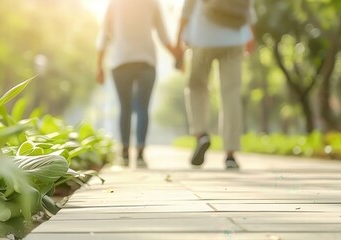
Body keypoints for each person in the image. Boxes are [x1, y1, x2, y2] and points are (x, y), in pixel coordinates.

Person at [96, 0, 181, 167]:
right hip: (146, 60)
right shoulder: (151, 3)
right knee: (143, 108)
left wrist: (98, 65)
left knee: (125, 107)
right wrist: (177, 56)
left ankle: (125, 153)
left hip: (120, 61)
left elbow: (104, 34)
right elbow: (163, 35)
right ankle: (141, 153)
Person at [176, 0, 256, 170]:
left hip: (203, 36)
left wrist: (178, 41)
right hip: (235, 36)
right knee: (231, 93)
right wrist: (250, 33)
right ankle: (230, 154)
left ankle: (201, 134)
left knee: (197, 86)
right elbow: (248, 5)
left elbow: (187, 8)